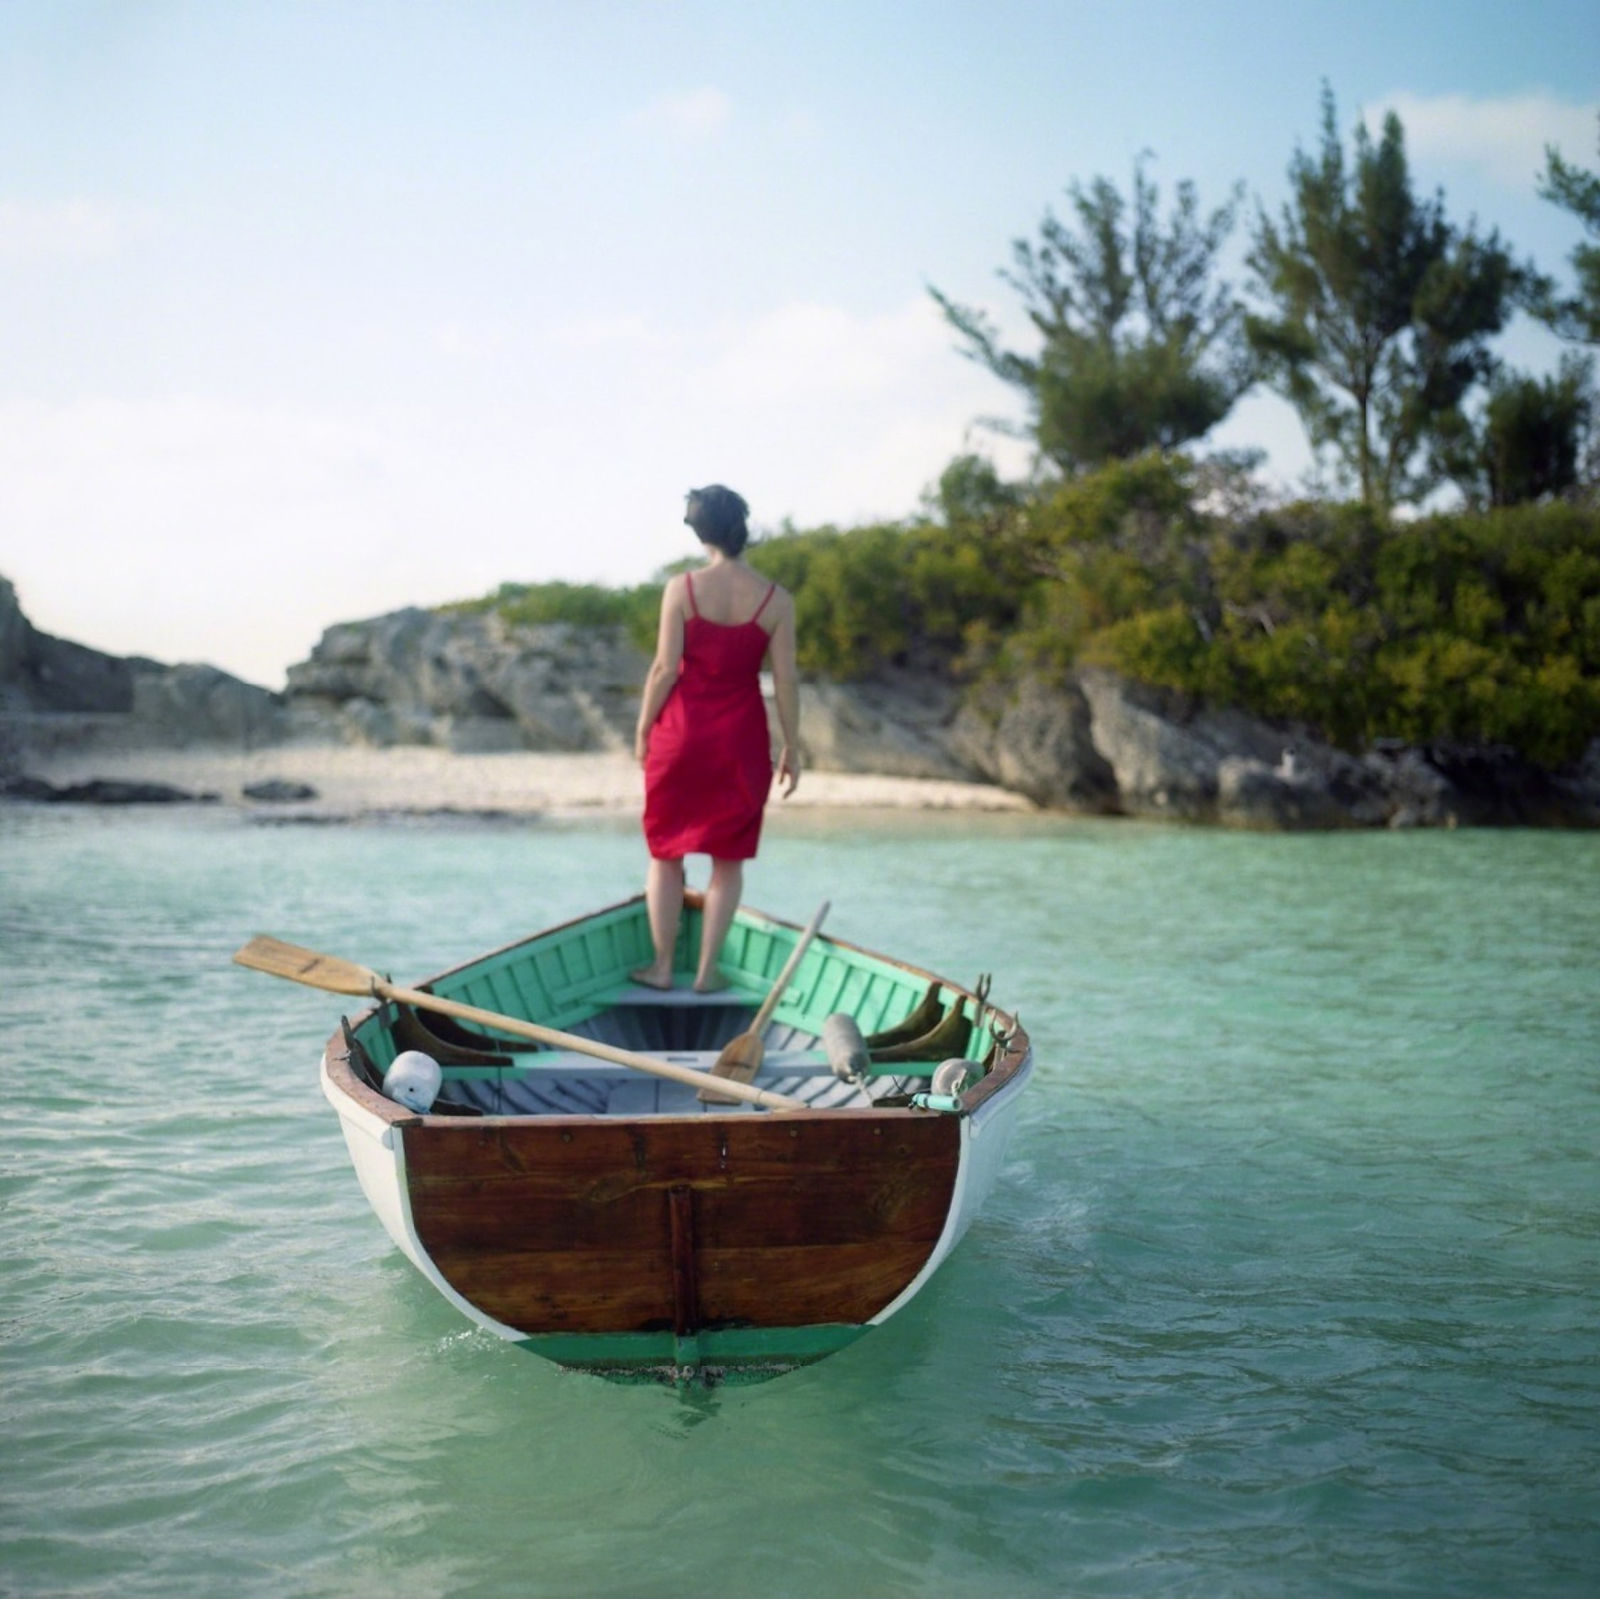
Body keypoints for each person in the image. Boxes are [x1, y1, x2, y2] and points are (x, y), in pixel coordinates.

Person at [631, 485, 800, 992]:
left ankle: (661, 968)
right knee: (727, 861)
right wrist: (793, 744)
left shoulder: (680, 589)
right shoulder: (777, 601)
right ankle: (707, 974)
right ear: (741, 529)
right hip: (741, 740)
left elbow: (664, 669)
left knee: (665, 855)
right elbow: (786, 680)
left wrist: (643, 728)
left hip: (680, 735)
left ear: (699, 531)